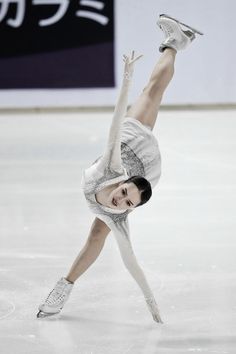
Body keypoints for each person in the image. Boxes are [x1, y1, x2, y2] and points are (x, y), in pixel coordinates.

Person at [37, 14, 203, 323]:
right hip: (134, 150)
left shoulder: (120, 213)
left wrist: (151, 302)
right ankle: (175, 44)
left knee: (98, 231)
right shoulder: (109, 167)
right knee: (150, 93)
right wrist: (126, 81)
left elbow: (131, 263)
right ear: (122, 182)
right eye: (124, 194)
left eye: (127, 204)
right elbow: (115, 123)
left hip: (143, 170)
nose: (120, 202)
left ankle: (64, 286)